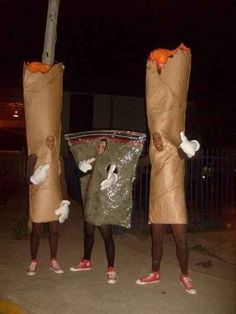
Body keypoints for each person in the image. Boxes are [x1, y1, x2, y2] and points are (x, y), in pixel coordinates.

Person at [70, 139, 118, 284]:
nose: (100, 148)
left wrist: (112, 178)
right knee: (88, 233)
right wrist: (82, 167)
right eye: (99, 145)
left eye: (103, 146)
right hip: (90, 202)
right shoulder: (92, 160)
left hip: (102, 204)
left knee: (107, 236)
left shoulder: (110, 162)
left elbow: (116, 173)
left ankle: (111, 268)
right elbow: (80, 177)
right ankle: (86, 261)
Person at [26, 135, 70, 276]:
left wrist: (65, 200)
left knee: (54, 231)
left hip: (54, 197)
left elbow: (62, 180)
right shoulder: (33, 157)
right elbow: (26, 179)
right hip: (39, 196)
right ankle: (33, 261)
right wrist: (33, 179)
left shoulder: (58, 158)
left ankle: (53, 260)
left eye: (53, 139)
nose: (50, 142)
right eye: (47, 139)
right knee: (36, 230)